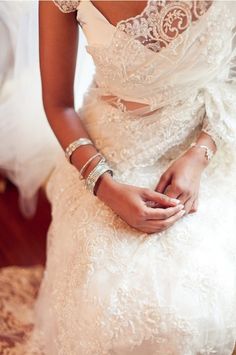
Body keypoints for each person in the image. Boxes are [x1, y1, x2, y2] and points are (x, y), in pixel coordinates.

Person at [29, 0, 236, 354]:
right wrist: (105, 186)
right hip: (109, 159)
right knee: (112, 310)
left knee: (196, 304)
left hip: (212, 143)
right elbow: (58, 104)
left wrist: (201, 154)